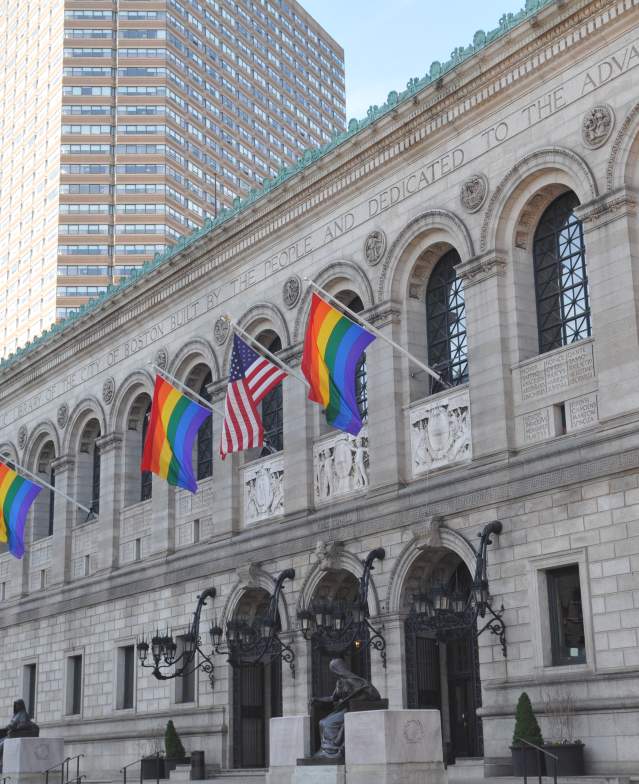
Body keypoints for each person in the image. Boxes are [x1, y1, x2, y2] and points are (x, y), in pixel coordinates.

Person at [311, 659, 381, 760]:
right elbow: (333, 698)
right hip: (342, 709)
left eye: (334, 669)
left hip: (352, 710)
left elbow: (374, 695)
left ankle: (332, 750)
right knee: (322, 722)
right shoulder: (340, 682)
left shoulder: (357, 681)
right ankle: (327, 749)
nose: (334, 673)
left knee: (328, 723)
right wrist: (317, 699)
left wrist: (358, 698)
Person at [0, 699, 39, 767]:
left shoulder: (23, 714)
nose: (16, 706)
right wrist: (8, 727)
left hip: (16, 733)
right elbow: (11, 724)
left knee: (2, 744)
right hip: (11, 732)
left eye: (17, 705)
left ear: (21, 705)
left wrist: (14, 727)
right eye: (15, 705)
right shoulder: (15, 715)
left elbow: (24, 724)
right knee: (1, 740)